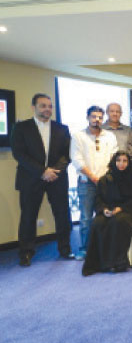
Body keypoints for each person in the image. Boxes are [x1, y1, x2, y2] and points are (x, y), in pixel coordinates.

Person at [11, 93, 73, 266]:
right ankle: (26, 252)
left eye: (50, 106)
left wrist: (54, 171)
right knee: (28, 216)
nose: (47, 109)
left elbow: (67, 154)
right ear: (34, 107)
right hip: (31, 178)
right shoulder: (21, 128)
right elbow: (19, 154)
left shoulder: (62, 128)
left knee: (62, 215)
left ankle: (65, 248)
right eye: (43, 105)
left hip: (57, 178)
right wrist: (42, 171)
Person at [82, 151, 132, 275]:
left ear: (128, 162)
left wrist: (120, 208)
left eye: (124, 161)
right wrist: (104, 210)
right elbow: (98, 199)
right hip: (108, 209)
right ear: (114, 162)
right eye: (118, 160)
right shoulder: (105, 179)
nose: (121, 164)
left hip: (128, 210)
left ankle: (117, 263)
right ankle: (99, 264)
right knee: (98, 223)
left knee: (119, 221)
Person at [70, 105, 118, 260]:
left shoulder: (109, 136)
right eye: (93, 116)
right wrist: (93, 177)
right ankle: (85, 249)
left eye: (99, 117)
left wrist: (105, 179)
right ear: (87, 117)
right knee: (85, 217)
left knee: (106, 215)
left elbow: (114, 157)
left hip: (106, 182)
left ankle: (104, 247)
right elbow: (77, 160)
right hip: (86, 183)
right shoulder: (78, 136)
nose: (97, 120)